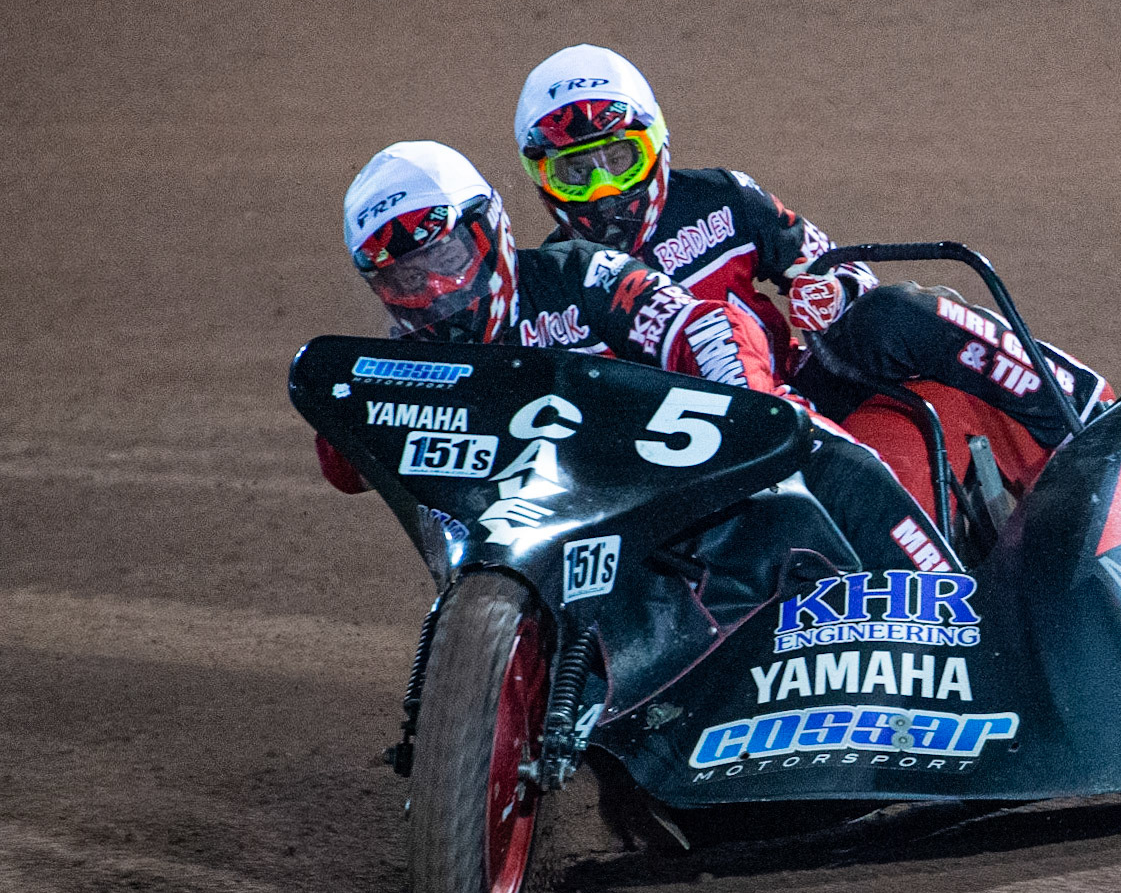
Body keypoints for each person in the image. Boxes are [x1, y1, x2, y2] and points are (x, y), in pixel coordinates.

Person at [512, 45, 1114, 505]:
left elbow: (842, 270)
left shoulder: (725, 198)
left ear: (657, 144)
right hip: (680, 470)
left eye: (620, 159)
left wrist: (831, 291)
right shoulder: (555, 285)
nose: (605, 190)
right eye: (576, 172)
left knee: (895, 314)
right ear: (542, 181)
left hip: (797, 400)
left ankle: (1087, 418)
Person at [326, 139, 958, 574]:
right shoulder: (401, 370)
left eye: (446, 256)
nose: (435, 290)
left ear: (490, 230)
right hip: (528, 541)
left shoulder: (583, 273)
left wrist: (756, 412)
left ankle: (948, 609)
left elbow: (705, 322)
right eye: (404, 278)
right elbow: (342, 466)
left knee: (838, 464)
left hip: (664, 497)